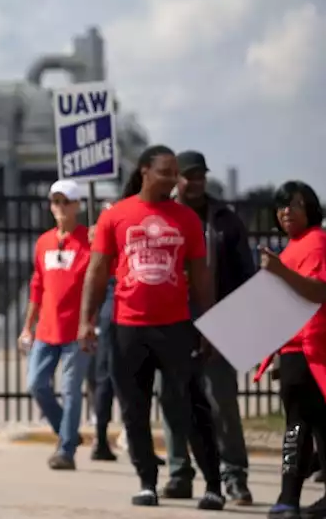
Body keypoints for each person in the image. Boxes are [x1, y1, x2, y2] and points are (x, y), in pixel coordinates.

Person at [77, 144, 223, 510]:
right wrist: (86, 319)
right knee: (134, 409)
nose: (174, 178)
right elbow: (96, 272)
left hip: (175, 328)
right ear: (144, 171)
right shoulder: (116, 216)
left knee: (188, 406)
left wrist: (208, 326)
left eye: (176, 172)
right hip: (128, 329)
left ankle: (214, 485)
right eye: (166, 171)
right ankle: (147, 482)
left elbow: (201, 277)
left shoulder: (186, 219)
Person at [162, 150, 256, 504]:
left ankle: (234, 476)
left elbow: (245, 274)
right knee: (173, 400)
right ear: (176, 179)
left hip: (219, 323)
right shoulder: (162, 215)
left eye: (200, 174)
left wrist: (237, 322)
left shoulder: (225, 219)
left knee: (222, 403)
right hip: (171, 322)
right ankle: (179, 474)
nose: (196, 181)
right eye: (189, 175)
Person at [252, 181, 326, 518]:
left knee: (298, 423)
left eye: (295, 204)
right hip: (295, 347)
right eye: (281, 205)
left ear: (311, 209)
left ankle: (288, 497)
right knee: (325, 425)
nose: (286, 210)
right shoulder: (292, 247)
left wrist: (279, 271)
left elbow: (319, 292)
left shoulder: (317, 242)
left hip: (311, 347)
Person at [18, 180, 93, 471]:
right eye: (55, 202)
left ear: (77, 206)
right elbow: (36, 287)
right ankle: (68, 433)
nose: (60, 207)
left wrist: (92, 322)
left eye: (66, 202)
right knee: (36, 384)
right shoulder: (44, 242)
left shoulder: (90, 240)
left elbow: (100, 283)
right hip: (46, 330)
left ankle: (65, 450)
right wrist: (27, 326)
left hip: (77, 331)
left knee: (71, 390)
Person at [87, 200, 119, 462]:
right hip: (112, 296)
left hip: (115, 296)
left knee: (107, 376)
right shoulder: (101, 237)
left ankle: (103, 435)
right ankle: (100, 435)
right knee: (105, 376)